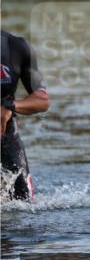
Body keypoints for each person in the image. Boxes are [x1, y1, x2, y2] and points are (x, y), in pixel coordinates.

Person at [1, 30, 50, 201]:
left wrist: (10, 107)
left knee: (25, 206)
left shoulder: (16, 46)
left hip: (7, 141)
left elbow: (42, 100)